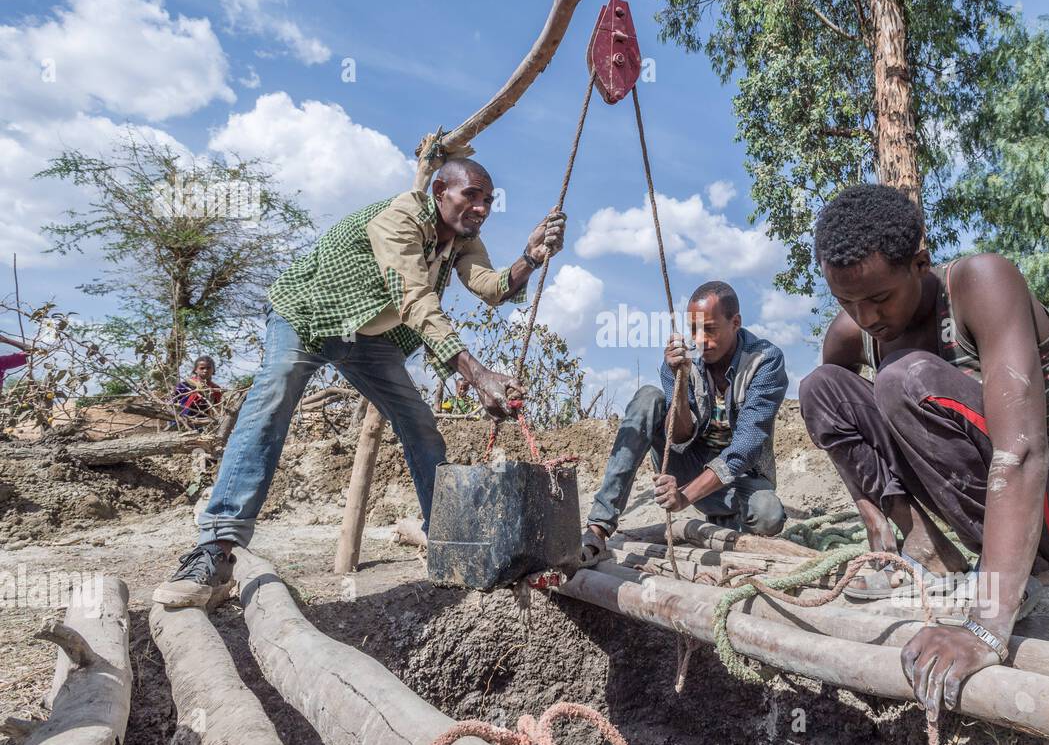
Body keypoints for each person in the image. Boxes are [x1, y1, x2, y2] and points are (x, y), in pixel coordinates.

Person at [153, 143, 566, 607]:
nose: (482, 208)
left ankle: (452, 545)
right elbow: (413, 300)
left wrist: (529, 258)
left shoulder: (462, 239)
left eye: (489, 200)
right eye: (472, 195)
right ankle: (215, 549)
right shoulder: (399, 220)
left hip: (367, 340)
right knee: (273, 398)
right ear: (439, 191)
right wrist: (478, 373)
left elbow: (490, 287)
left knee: (420, 425)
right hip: (308, 316)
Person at [799, 184, 1049, 716]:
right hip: (983, 507)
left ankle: (1022, 578)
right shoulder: (853, 332)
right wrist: (879, 524)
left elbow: (1023, 451)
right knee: (820, 388)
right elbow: (845, 425)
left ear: (920, 263)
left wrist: (987, 626)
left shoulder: (980, 284)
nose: (866, 316)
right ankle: (924, 549)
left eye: (878, 298)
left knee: (904, 379)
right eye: (847, 302)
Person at [580, 281, 788, 565]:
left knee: (769, 515)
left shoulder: (764, 361)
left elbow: (746, 447)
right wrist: (678, 382)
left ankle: (725, 517)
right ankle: (598, 528)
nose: (700, 339)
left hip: (739, 478)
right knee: (648, 397)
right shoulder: (682, 362)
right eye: (693, 330)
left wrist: (684, 497)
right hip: (690, 469)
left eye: (710, 329)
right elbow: (678, 437)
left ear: (735, 322)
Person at [173, 355, 223, 425]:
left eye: (208, 368)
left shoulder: (216, 389)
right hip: (184, 419)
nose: (205, 370)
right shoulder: (185, 385)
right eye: (202, 368)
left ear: (213, 370)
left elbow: (216, 407)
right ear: (195, 370)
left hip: (206, 421)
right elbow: (175, 403)